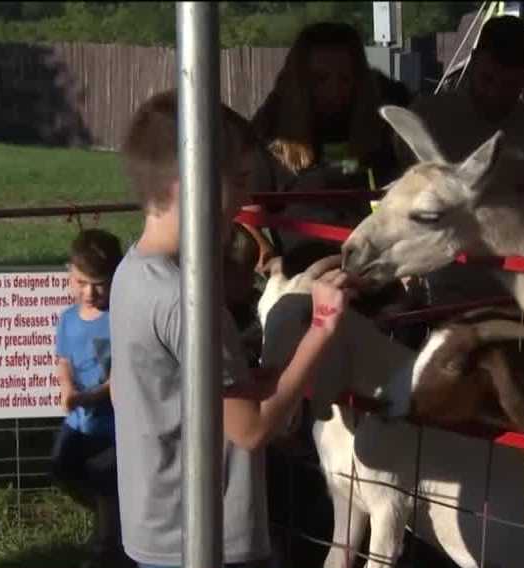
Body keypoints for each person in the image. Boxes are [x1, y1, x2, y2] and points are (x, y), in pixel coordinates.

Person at [110, 90, 358, 568]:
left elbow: (144, 391)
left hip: (157, 528)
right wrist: (321, 328)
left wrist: (257, 378)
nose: (246, 198)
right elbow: (251, 428)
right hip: (207, 538)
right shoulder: (188, 300)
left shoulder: (132, 273)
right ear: (194, 184)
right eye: (239, 180)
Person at [394, 15, 524, 306]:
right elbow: (393, 195)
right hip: (437, 285)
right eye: (488, 79)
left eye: (510, 84)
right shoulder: (427, 117)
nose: (496, 93)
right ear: (474, 61)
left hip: (516, 293)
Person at [252, 21, 410, 252]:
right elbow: (244, 212)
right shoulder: (273, 132)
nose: (334, 90)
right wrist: (266, 255)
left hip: (371, 264)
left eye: (345, 79)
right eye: (321, 79)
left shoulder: (380, 129)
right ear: (300, 81)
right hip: (303, 274)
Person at [50, 228, 129, 568]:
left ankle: (107, 548)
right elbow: (63, 359)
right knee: (62, 467)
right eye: (81, 282)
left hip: (115, 425)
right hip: (79, 421)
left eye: (99, 284)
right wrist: (68, 389)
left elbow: (123, 377)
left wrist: (90, 397)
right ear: (70, 273)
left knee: (104, 479)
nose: (89, 292)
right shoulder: (68, 319)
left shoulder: (121, 320)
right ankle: (113, 522)